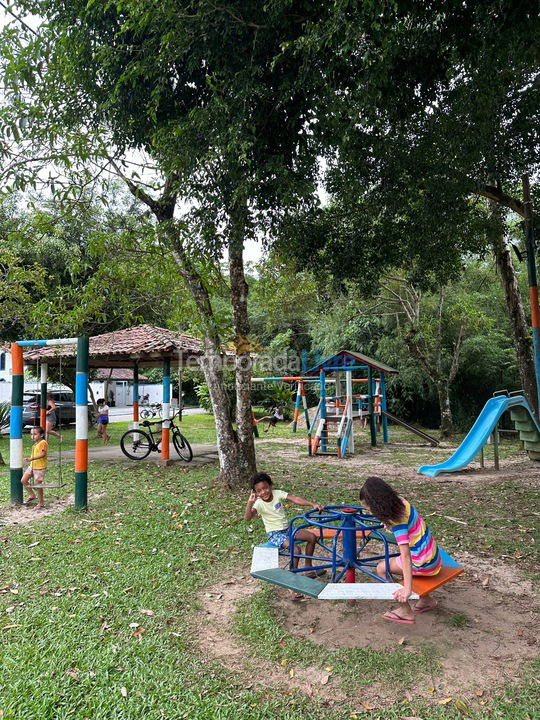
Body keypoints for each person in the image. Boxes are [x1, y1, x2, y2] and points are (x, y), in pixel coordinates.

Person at [359, 476, 441, 624]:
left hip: (423, 562)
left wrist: (407, 589)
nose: (369, 512)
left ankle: (405, 609)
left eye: (369, 508)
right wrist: (386, 521)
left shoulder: (398, 523)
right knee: (393, 562)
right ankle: (426, 600)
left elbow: (406, 556)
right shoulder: (401, 503)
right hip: (432, 554)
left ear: (378, 505)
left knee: (382, 568)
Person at [245, 472, 325, 598]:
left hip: (287, 529)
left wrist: (312, 504)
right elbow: (248, 517)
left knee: (312, 537)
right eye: (259, 491)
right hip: (275, 534)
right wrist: (250, 502)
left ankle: (308, 568)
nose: (263, 492)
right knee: (296, 550)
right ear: (255, 493)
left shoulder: (277, 493)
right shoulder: (259, 503)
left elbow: (295, 499)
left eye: (265, 488)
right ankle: (291, 585)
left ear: (270, 486)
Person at [21, 426, 48, 510]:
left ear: (41, 435)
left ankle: (41, 503)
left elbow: (43, 454)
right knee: (24, 480)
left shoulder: (43, 442)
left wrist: (31, 458)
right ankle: (32, 495)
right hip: (32, 466)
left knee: (38, 485)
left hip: (40, 467)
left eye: (35, 434)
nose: (33, 436)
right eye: (31, 434)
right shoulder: (35, 444)